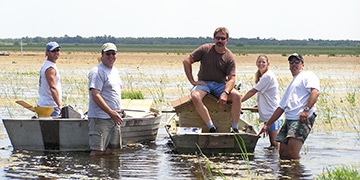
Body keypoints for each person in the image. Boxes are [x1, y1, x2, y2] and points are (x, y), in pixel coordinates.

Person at [258, 53, 320, 160]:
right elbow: (281, 107)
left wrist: (306, 109)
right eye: (291, 62)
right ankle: (286, 175)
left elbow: (315, 92)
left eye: (297, 62)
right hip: (289, 119)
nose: (294, 64)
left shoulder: (308, 75)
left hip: (300, 119)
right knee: (283, 153)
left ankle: (298, 174)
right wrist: (267, 125)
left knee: (292, 151)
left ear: (302, 65)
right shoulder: (292, 83)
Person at [183, 27, 241, 133]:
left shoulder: (229, 56)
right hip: (204, 83)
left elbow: (231, 79)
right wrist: (192, 81)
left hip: (220, 85)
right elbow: (186, 61)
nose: (220, 41)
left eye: (222, 38)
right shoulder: (205, 49)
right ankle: (211, 127)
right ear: (214, 39)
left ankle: (235, 128)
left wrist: (225, 92)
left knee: (237, 96)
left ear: (227, 40)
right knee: (195, 96)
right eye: (217, 38)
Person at [88, 42, 123, 156]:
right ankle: (95, 173)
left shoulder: (115, 71)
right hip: (100, 117)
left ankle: (109, 172)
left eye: (113, 53)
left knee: (111, 150)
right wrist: (110, 112)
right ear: (102, 55)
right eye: (108, 54)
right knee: (97, 151)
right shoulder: (97, 72)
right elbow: (95, 95)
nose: (111, 56)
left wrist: (115, 113)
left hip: (114, 118)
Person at [241, 55, 282, 149]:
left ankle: (277, 162)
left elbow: (253, 91)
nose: (261, 64)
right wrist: (259, 105)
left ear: (268, 64)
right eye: (259, 62)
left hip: (273, 113)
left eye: (263, 62)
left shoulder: (267, 76)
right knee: (273, 143)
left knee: (275, 143)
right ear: (256, 63)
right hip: (269, 113)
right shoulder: (262, 76)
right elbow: (265, 94)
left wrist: (239, 102)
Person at [37, 42, 62, 117]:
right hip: (50, 106)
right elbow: (53, 88)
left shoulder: (48, 65)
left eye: (57, 50)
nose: (56, 53)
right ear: (47, 53)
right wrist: (59, 105)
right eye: (53, 51)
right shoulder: (50, 68)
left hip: (44, 104)